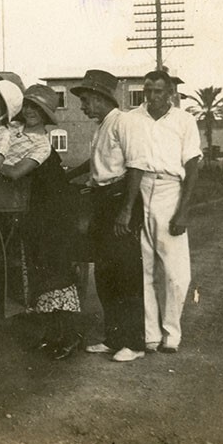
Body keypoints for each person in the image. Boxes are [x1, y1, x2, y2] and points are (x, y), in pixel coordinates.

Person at [119, 69, 202, 354]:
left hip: (170, 190)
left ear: (170, 94)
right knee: (144, 268)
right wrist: (127, 207)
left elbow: (192, 166)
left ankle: (172, 333)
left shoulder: (184, 120)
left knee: (176, 273)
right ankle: (150, 335)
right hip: (139, 189)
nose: (152, 96)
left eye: (158, 91)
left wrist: (184, 211)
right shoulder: (131, 119)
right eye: (148, 90)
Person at [0, 84, 84, 360]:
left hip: (54, 214)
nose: (32, 112)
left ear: (47, 115)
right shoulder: (12, 132)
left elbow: (14, 173)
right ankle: (51, 335)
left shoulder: (43, 143)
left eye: (39, 109)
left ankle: (70, 336)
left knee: (56, 273)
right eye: (28, 106)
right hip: (34, 212)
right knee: (39, 273)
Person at [71, 69, 147, 362]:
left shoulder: (124, 122)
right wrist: (71, 175)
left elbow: (137, 166)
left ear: (102, 99)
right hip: (102, 200)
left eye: (86, 100)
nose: (83, 106)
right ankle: (114, 338)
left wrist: (126, 211)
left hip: (120, 199)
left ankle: (135, 343)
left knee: (126, 273)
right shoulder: (102, 125)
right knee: (105, 274)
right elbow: (96, 162)